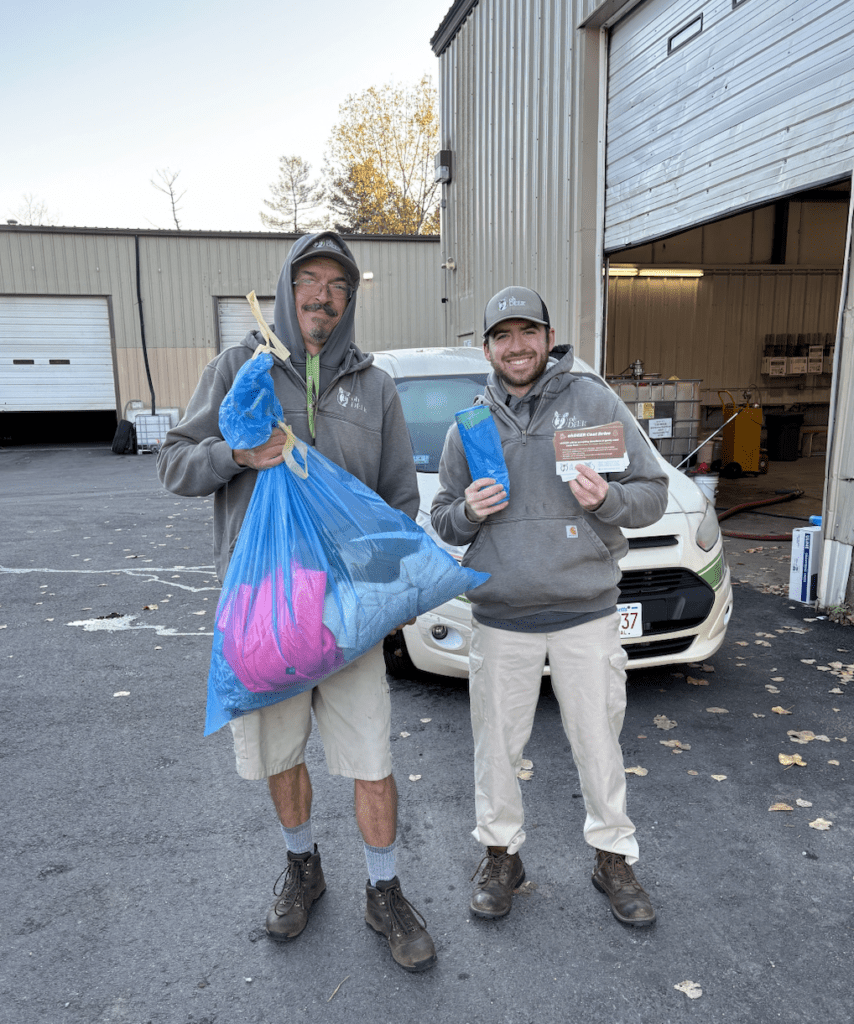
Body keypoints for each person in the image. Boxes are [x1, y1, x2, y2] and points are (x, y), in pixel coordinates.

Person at [157, 231, 436, 972]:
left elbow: (401, 498)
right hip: (265, 610)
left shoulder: (374, 386)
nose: (323, 295)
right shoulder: (237, 368)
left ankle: (385, 889)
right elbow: (176, 465)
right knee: (281, 753)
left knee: (371, 756)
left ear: (349, 299)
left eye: (338, 285)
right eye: (310, 280)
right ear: (287, 288)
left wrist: (395, 586)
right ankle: (302, 866)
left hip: (349, 610)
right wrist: (236, 455)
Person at [431, 286, 668, 927]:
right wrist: (466, 512)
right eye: (502, 336)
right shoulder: (469, 425)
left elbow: (651, 491)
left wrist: (605, 505)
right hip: (501, 618)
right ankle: (502, 855)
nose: (517, 346)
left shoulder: (591, 402)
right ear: (486, 348)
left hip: (585, 613)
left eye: (527, 332)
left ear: (547, 336)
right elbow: (444, 520)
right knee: (496, 748)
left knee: (598, 742)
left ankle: (612, 858)